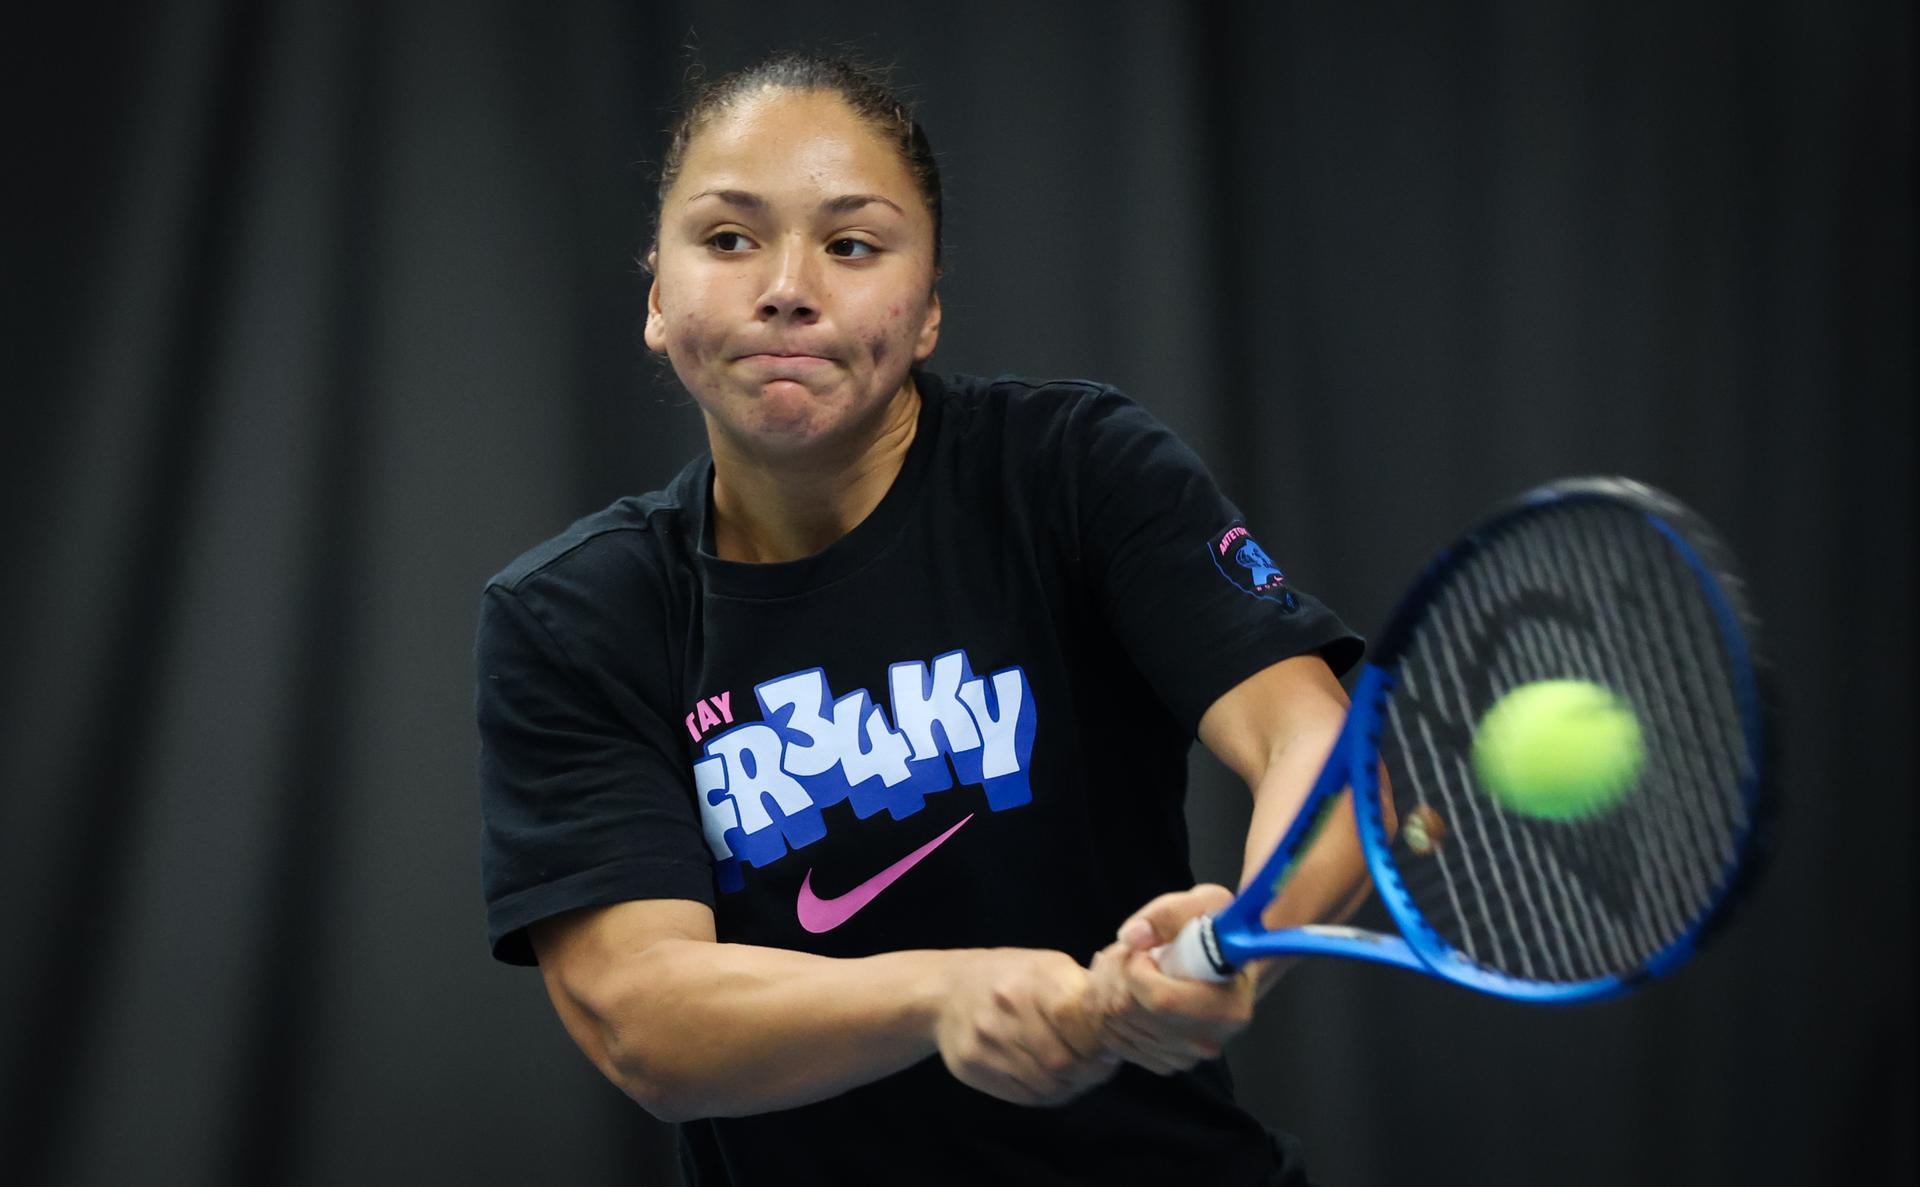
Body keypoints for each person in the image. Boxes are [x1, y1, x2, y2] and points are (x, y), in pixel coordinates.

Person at [476, 51, 1372, 1186]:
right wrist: (944, 993)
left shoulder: (1075, 473)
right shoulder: (572, 615)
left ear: (931, 306)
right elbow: (644, 1015)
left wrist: (1241, 937)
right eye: (729, 238)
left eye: (852, 244)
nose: (788, 285)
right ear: (658, 296)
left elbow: (1319, 739)